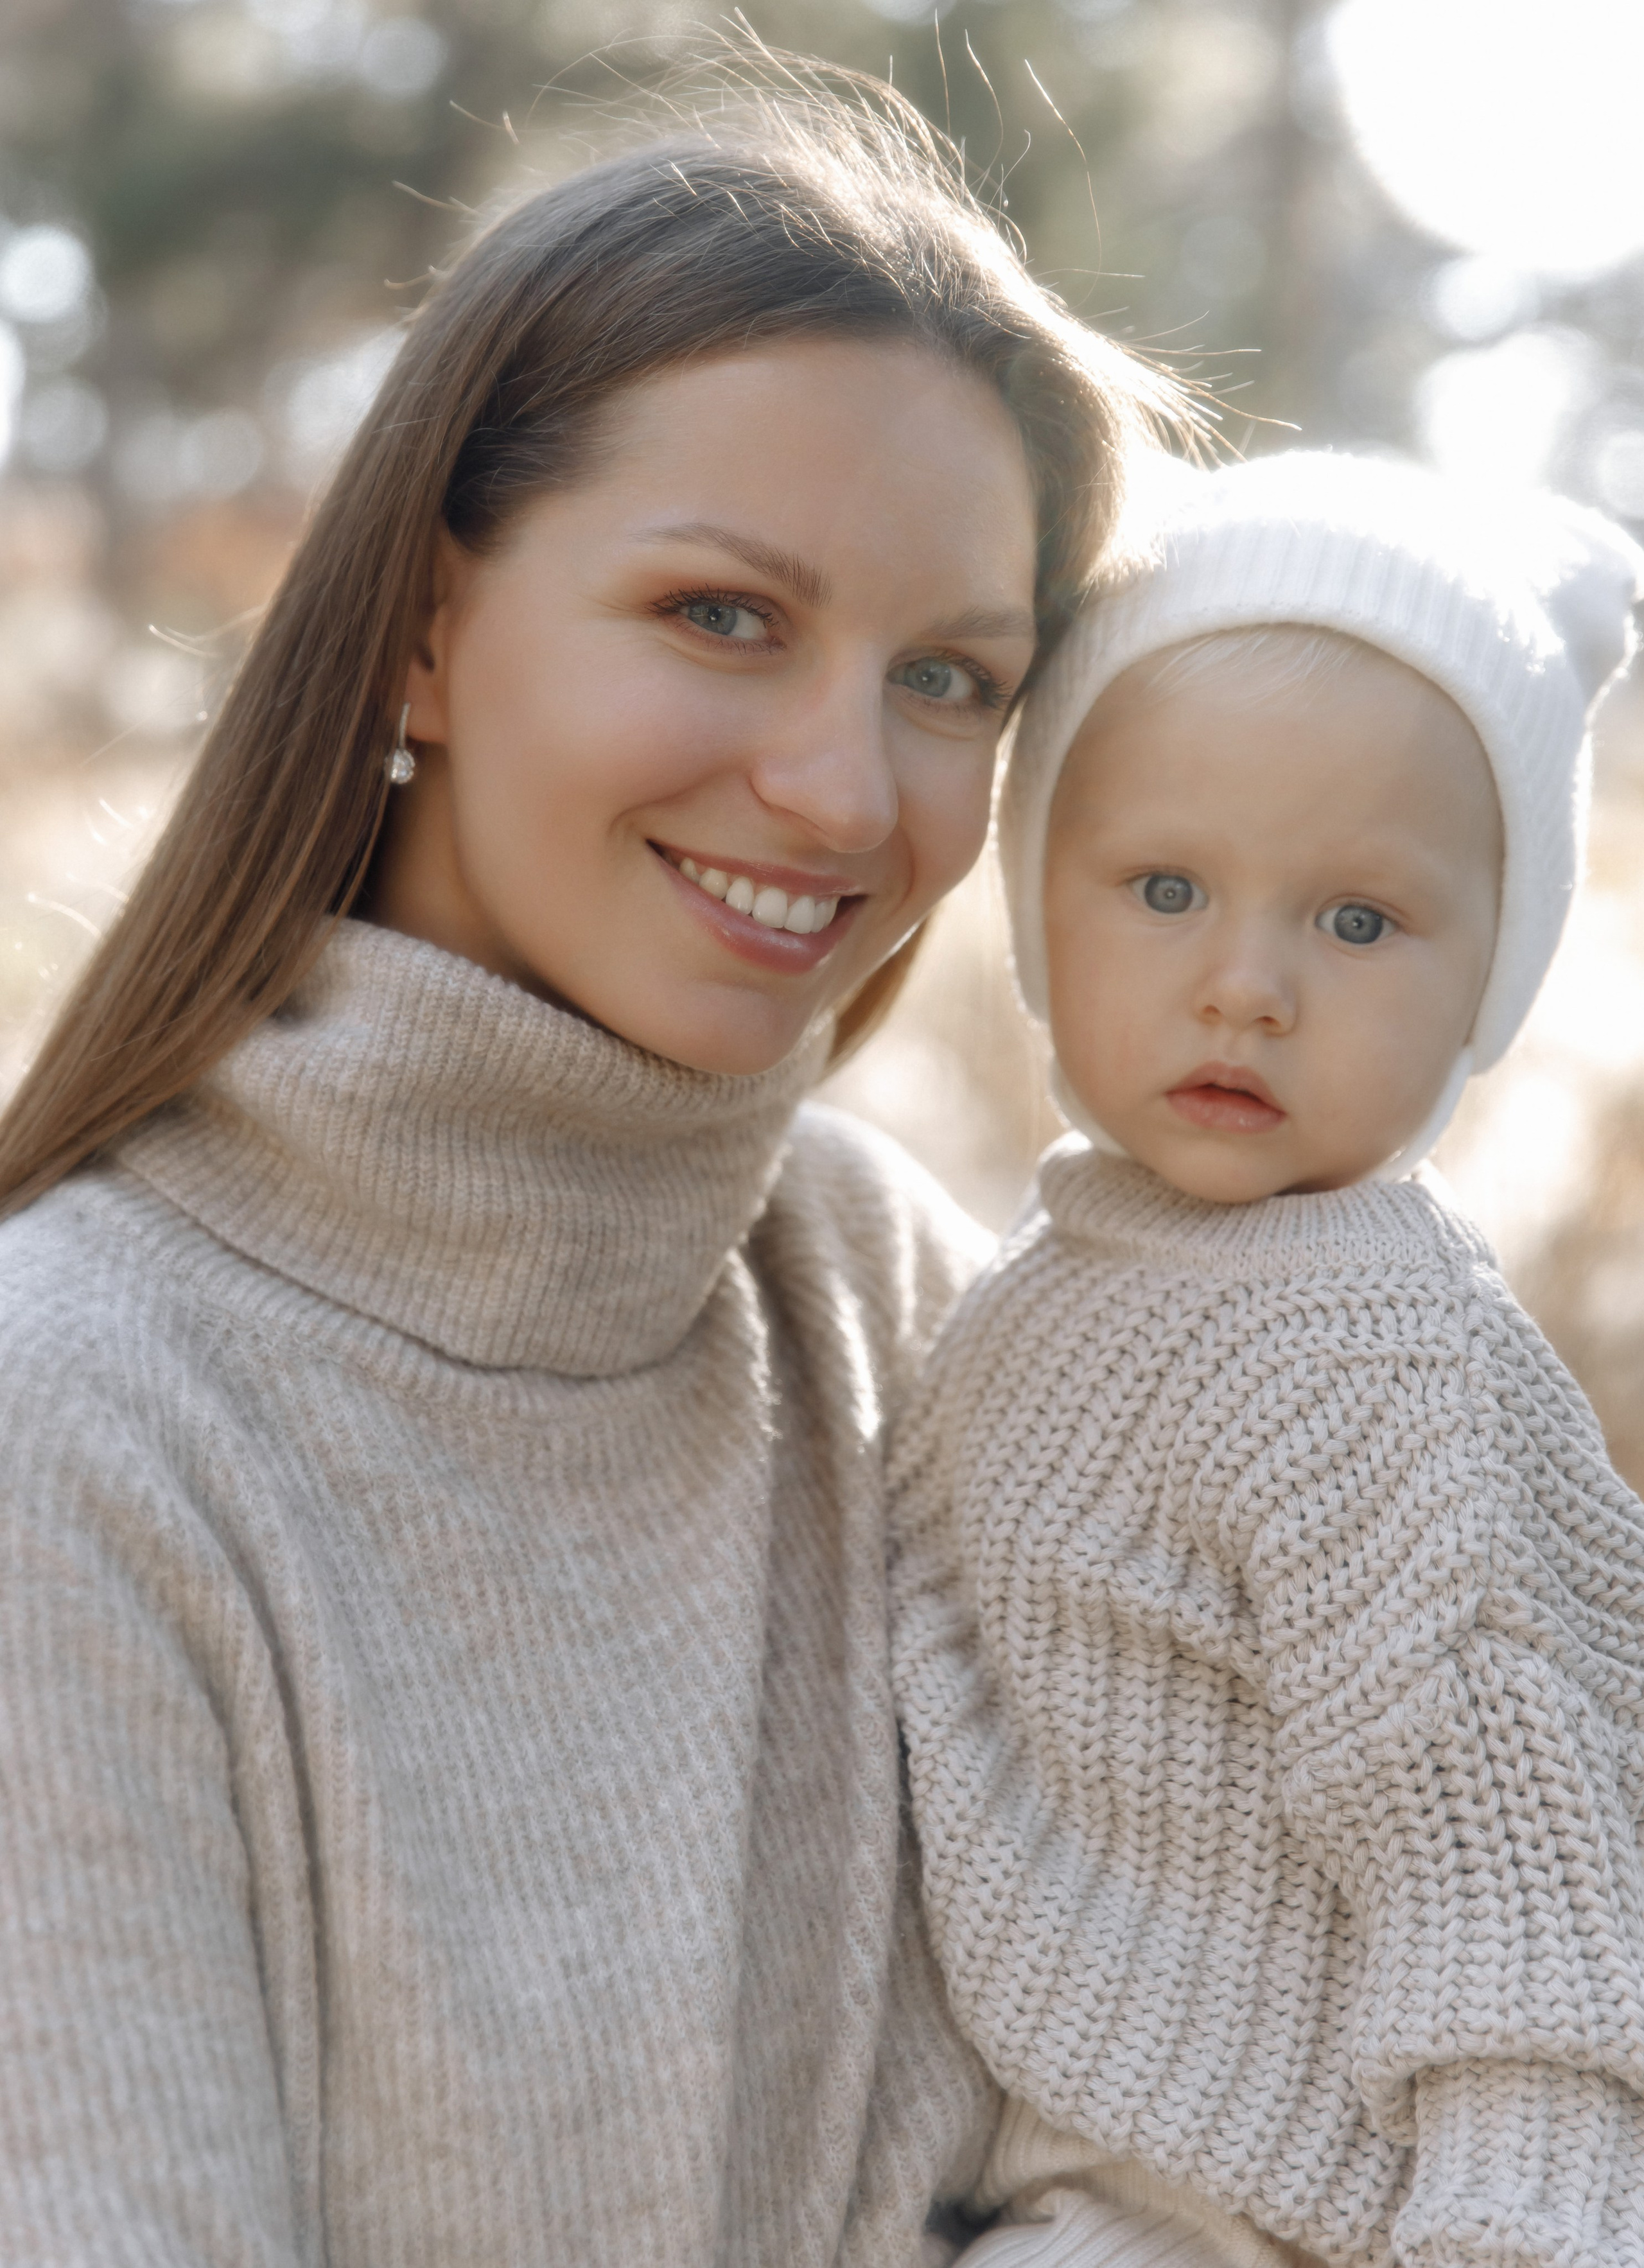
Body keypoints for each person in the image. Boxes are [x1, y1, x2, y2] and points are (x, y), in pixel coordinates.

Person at [0, 58, 1184, 2267]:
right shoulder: (74, 1421)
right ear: (430, 625)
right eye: (724, 615)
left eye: (950, 677)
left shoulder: (917, 1312)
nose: (847, 792)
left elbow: (1193, 2125)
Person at [888, 452, 1644, 2268]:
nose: (1247, 985)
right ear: (1040, 905)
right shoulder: (1055, 1279)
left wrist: (1516, 2231)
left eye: (1359, 921)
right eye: (1162, 887)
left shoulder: (1361, 1351)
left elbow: (1520, 1883)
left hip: (1310, 2210)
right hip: (1081, 2173)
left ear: (1486, 985)